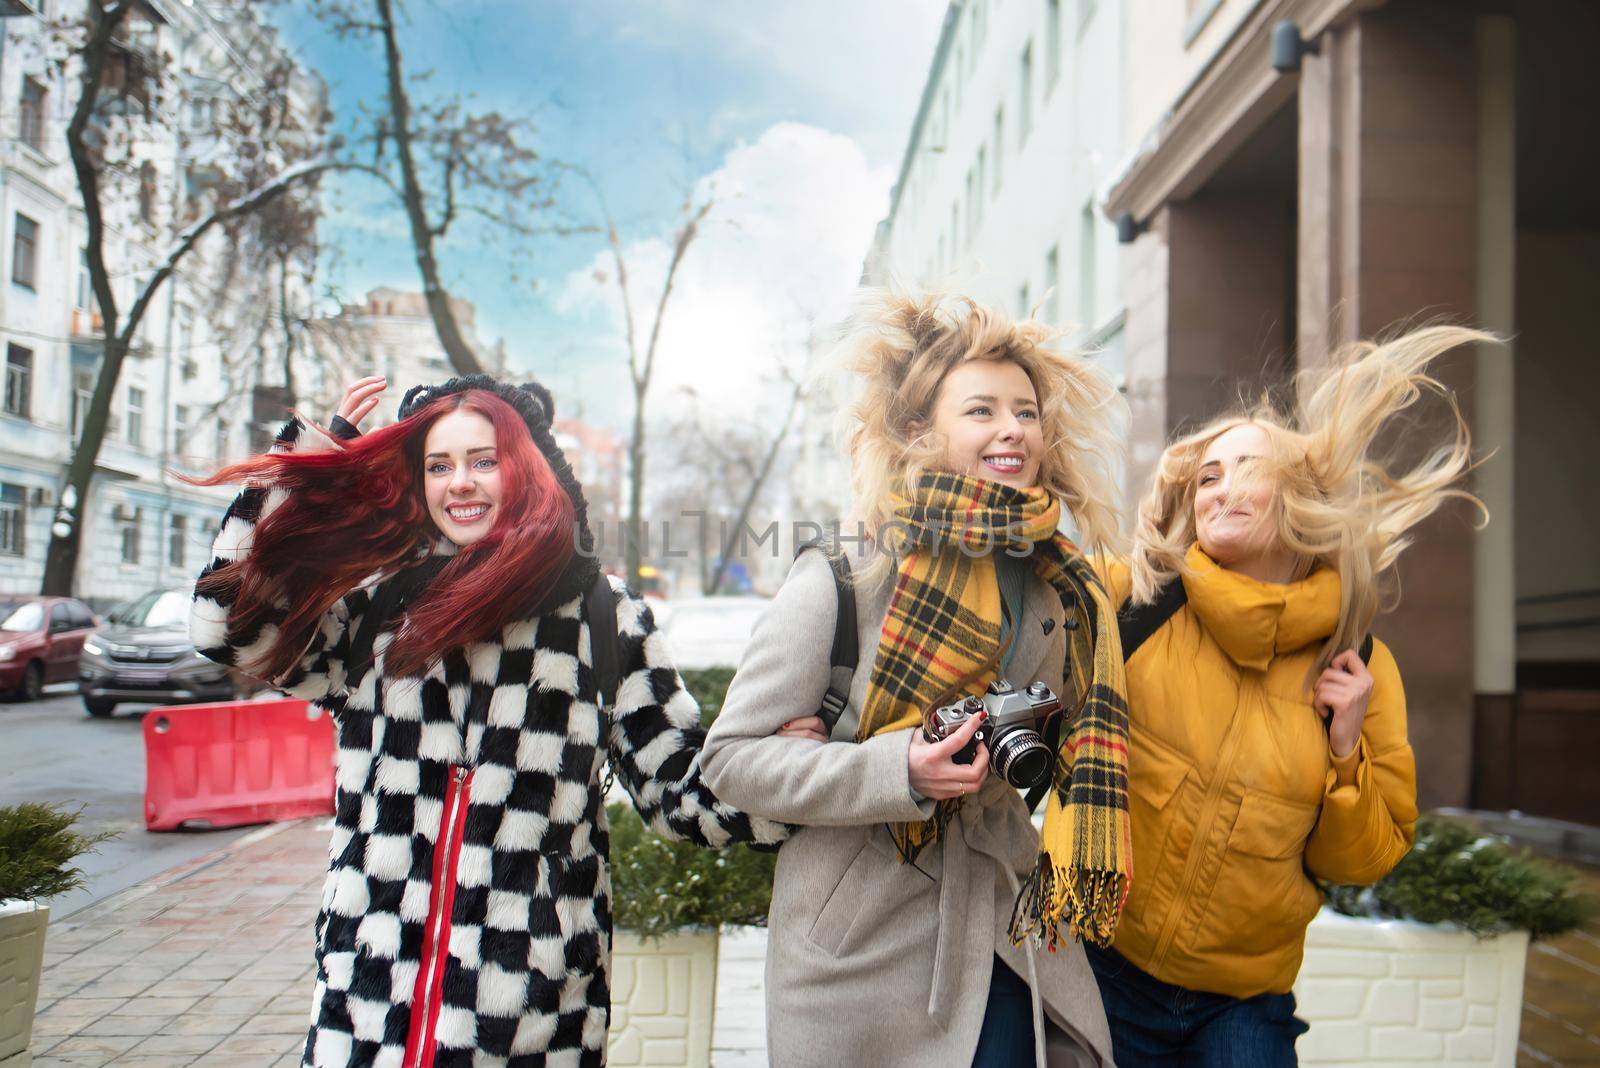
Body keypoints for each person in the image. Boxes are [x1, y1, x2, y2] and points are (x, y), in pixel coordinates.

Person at [188, 374, 786, 1068]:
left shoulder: (602, 614)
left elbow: (678, 788)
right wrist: (304, 471)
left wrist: (814, 777)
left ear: (524, 466)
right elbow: (224, 630)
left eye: (482, 460)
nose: (460, 484)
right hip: (367, 1009)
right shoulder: (377, 613)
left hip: (530, 1016)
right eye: (438, 466)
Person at [701, 290, 1129, 1067]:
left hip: (998, 923)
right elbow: (730, 760)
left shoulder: (1056, 587)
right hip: (860, 943)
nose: (1012, 429)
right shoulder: (848, 575)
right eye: (982, 410)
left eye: (1026, 411)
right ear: (919, 431)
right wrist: (900, 768)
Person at [1087, 325, 1490, 1066]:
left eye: (1247, 468)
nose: (1220, 486)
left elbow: (1359, 864)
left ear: (1299, 497)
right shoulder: (1133, 603)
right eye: (1207, 475)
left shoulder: (1361, 667)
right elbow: (1004, 624)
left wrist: (1344, 752)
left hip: (1244, 1002)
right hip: (1095, 963)